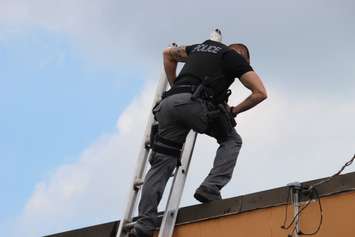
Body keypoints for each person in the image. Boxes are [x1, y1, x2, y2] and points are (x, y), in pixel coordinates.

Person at [129, 39, 267, 237]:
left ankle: (142, 227)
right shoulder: (234, 58)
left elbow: (167, 54)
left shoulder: (200, 47)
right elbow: (260, 93)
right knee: (232, 140)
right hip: (195, 105)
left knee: (162, 164)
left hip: (168, 106)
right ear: (243, 56)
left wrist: (175, 85)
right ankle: (210, 187)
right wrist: (234, 110)